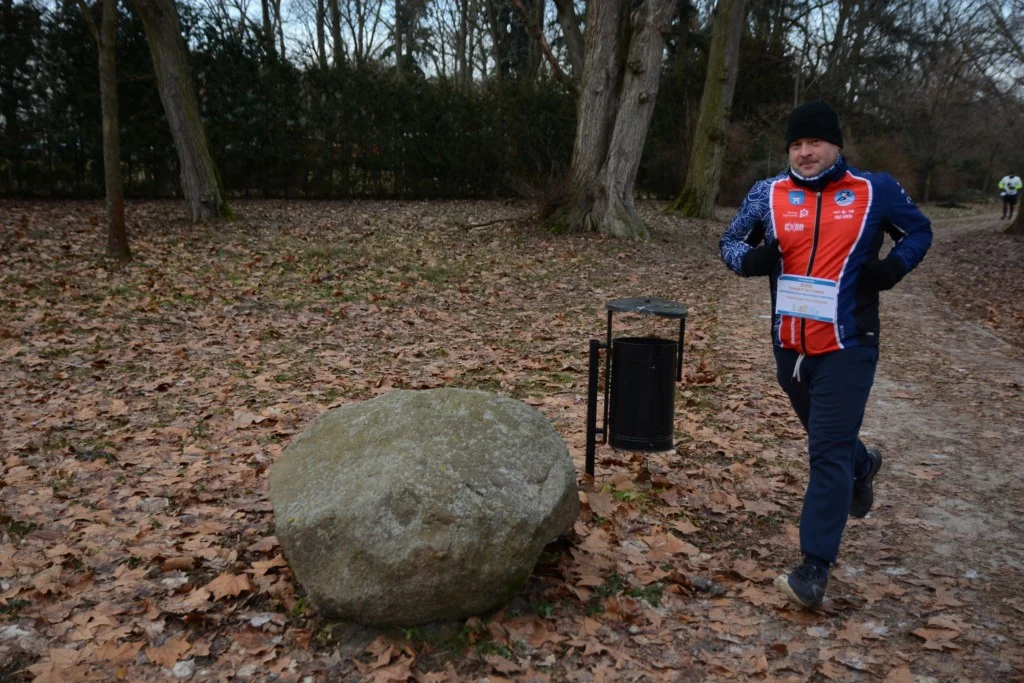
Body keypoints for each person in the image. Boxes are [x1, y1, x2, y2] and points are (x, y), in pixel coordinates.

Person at [719, 101, 932, 609]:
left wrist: (894, 266)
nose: (805, 152)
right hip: (790, 345)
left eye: (814, 142)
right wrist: (750, 260)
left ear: (836, 145)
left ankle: (814, 567)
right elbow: (728, 241)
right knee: (828, 439)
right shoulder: (768, 193)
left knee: (825, 451)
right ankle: (863, 463)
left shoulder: (872, 189)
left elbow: (920, 230)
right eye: (796, 144)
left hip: (849, 345)